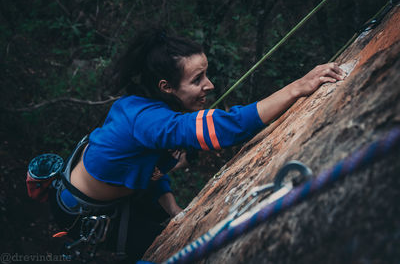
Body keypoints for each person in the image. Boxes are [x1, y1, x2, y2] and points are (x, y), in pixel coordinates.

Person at [49, 28, 345, 262]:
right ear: (166, 86)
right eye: (197, 79)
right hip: (87, 214)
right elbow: (224, 127)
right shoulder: (149, 121)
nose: (210, 85)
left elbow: (145, 163)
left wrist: (173, 207)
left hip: (113, 196)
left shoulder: (144, 108)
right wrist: (296, 88)